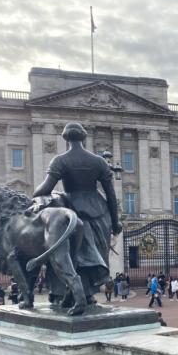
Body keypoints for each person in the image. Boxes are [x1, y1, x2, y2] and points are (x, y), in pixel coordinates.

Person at [31, 122, 122, 310]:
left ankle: (64, 293)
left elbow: (46, 188)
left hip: (71, 208)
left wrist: (34, 195)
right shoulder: (99, 162)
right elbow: (111, 195)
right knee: (93, 254)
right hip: (99, 211)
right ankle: (87, 295)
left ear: (65, 138)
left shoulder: (60, 160)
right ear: (83, 136)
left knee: (66, 253)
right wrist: (115, 221)